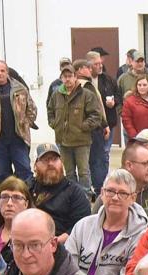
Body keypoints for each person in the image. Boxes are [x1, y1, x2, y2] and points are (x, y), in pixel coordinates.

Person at [66, 169, 148, 275]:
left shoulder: (141, 235)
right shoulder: (82, 226)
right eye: (110, 191)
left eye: (123, 193)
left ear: (133, 198)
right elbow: (66, 266)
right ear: (102, 193)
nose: (115, 197)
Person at [48, 63, 105, 192]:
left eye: (70, 76)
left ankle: (85, 196)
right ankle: (71, 196)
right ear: (61, 78)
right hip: (63, 141)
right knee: (68, 172)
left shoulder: (86, 94)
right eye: (65, 76)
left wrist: (82, 127)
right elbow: (50, 110)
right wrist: (55, 124)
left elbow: (96, 115)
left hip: (82, 141)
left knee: (84, 172)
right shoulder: (56, 95)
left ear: (75, 77)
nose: (67, 79)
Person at [86, 50, 120, 193]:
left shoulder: (108, 79)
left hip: (108, 124)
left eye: (101, 63)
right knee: (91, 156)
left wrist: (114, 102)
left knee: (104, 155)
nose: (100, 66)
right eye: (96, 64)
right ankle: (94, 185)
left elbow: (119, 96)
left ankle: (103, 184)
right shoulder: (84, 82)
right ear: (89, 66)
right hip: (91, 127)